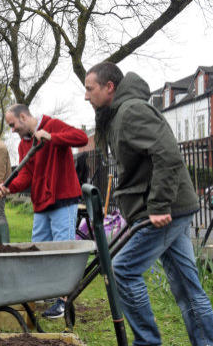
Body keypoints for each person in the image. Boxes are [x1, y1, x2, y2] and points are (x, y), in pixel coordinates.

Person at [85, 62, 213, 346]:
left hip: (165, 210)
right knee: (187, 288)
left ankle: (146, 342)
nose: (86, 96)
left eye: (89, 88)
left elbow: (167, 154)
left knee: (122, 270)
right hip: (166, 208)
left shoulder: (132, 112)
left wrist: (158, 206)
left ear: (110, 87)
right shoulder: (119, 114)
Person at [0, 104, 88, 318]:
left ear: (23, 117)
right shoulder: (23, 145)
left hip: (63, 199)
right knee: (37, 250)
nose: (12, 130)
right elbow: (26, 174)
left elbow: (81, 138)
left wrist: (52, 137)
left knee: (61, 251)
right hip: (41, 203)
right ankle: (47, 291)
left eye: (13, 125)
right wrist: (10, 187)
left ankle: (63, 301)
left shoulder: (52, 125)